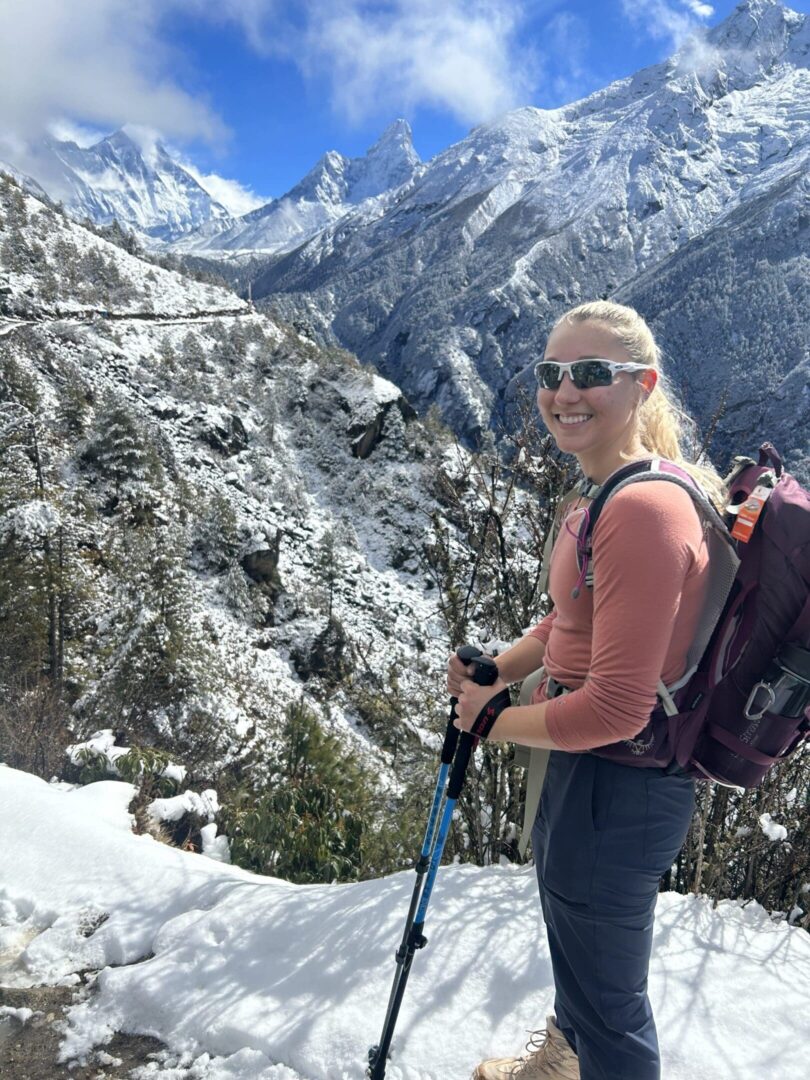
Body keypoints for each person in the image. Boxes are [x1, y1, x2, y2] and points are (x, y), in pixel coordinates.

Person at [449, 300, 724, 1080]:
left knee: (613, 1012)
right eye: (550, 374)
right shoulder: (607, 492)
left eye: (592, 374)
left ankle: (587, 1058)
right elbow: (569, 619)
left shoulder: (640, 509)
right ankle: (563, 1064)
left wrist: (491, 723)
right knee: (586, 960)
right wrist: (500, 671)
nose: (564, 393)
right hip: (595, 772)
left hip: (618, 781)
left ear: (643, 386)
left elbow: (615, 707)